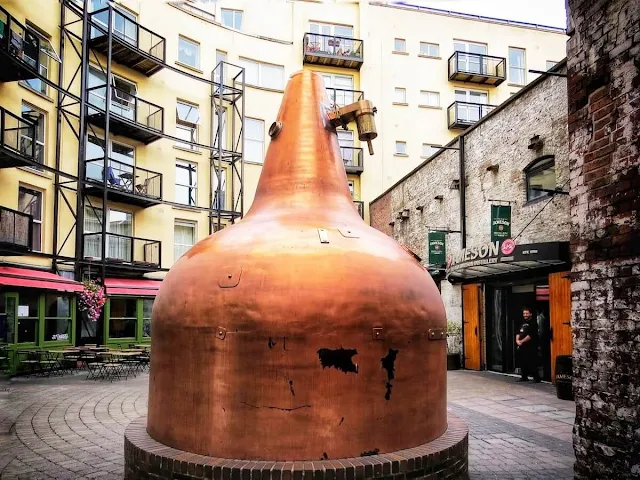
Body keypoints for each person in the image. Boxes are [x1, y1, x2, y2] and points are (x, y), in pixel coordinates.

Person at [516, 306, 540, 382]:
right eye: (524, 313)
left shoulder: (533, 323)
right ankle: (524, 377)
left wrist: (521, 341)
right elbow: (518, 332)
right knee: (523, 361)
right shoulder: (522, 322)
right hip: (522, 345)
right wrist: (517, 340)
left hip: (531, 345)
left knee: (532, 361)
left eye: (527, 313)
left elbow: (531, 335)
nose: (525, 315)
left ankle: (536, 378)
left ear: (531, 314)